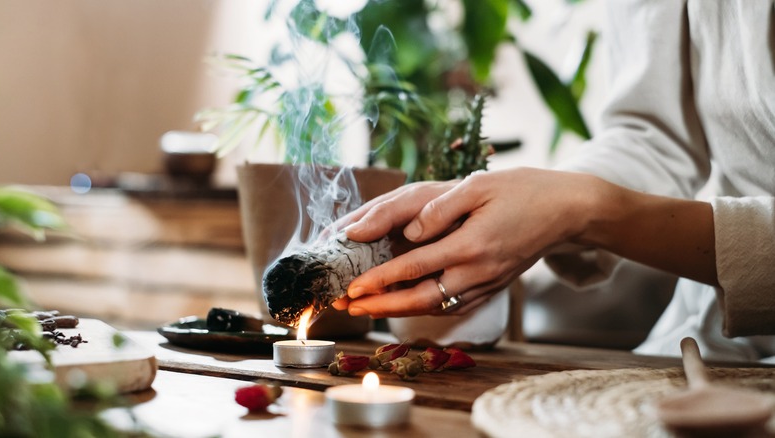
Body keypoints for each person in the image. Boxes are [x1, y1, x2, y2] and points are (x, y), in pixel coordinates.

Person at [332, 0, 775, 362]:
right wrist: (530, 200)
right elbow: (653, 136)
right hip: (712, 339)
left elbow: (591, 203)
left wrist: (582, 210)